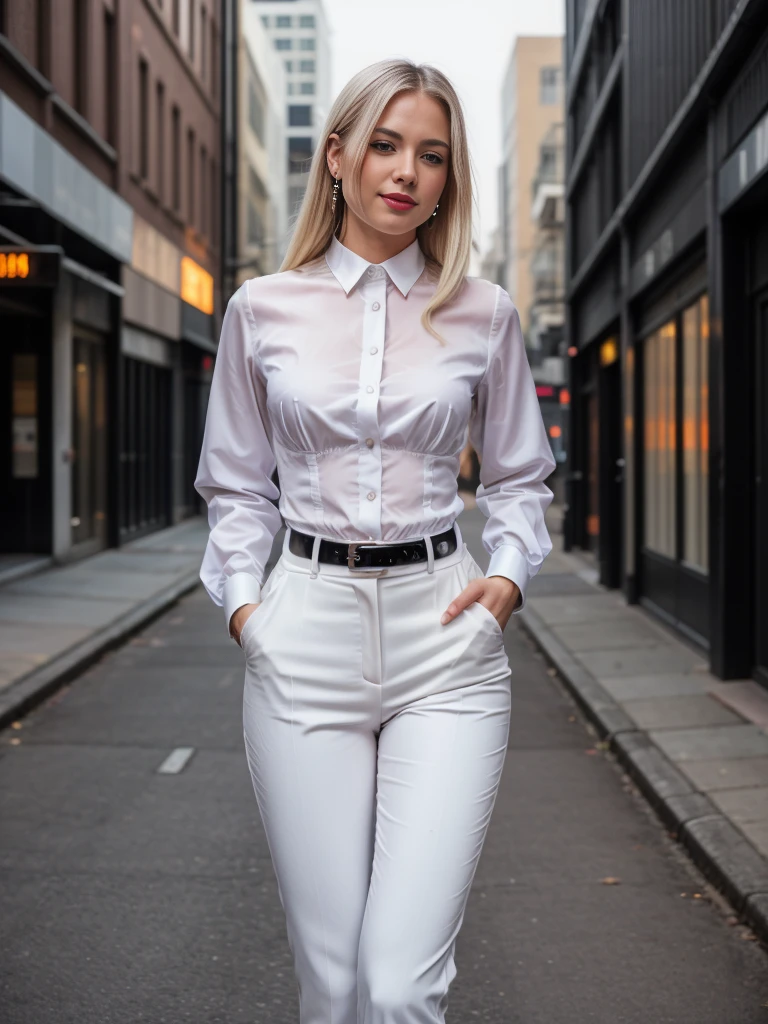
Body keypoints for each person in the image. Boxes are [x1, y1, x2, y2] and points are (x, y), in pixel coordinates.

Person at [194, 58, 556, 1024]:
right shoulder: (260, 309)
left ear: (448, 178)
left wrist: (509, 580)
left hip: (446, 635)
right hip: (302, 632)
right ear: (338, 157)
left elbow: (521, 477)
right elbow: (235, 484)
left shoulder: (484, 313)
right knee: (334, 984)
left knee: (399, 987)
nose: (406, 171)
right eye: (386, 145)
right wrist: (246, 611)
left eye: (431, 155)